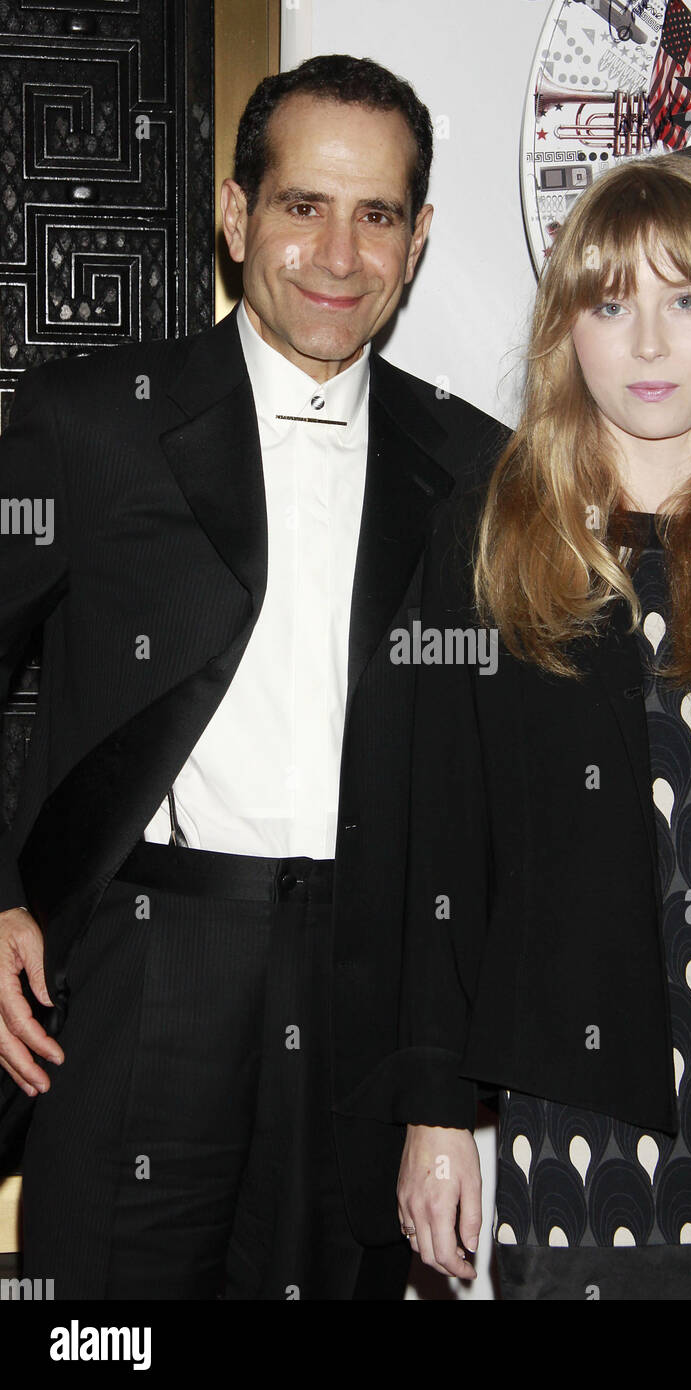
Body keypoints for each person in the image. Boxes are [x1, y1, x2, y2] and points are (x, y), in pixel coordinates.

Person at [0, 54, 505, 1299]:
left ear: (419, 237)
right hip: (141, 962)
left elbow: (505, 771)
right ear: (236, 216)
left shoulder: (479, 465)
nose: (339, 252)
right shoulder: (94, 421)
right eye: (301, 206)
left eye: (377, 214)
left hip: (368, 982)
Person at [391, 153, 691, 1300]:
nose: (650, 343)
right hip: (578, 1111)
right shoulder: (489, 541)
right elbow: (438, 848)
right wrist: (429, 1115)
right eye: (612, 303)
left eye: (687, 300)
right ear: (568, 329)